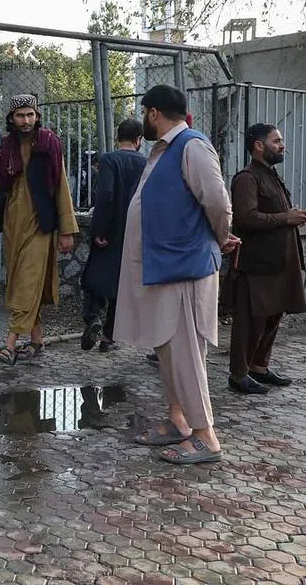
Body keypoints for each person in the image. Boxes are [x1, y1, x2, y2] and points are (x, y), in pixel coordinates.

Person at [114, 85, 239, 465]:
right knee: (167, 350)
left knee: (185, 354)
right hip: (165, 267)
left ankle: (205, 437)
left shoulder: (192, 146)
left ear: (153, 113)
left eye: (145, 112)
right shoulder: (166, 149)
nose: (144, 119)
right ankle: (178, 420)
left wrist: (221, 237)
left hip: (184, 269)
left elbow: (217, 202)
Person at [0, 94, 78, 365]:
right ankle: (36, 340)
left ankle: (9, 344)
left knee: (26, 283)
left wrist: (67, 229)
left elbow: (61, 186)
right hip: (13, 224)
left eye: (30, 115)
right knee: (21, 282)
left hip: (40, 225)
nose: (26, 121)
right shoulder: (6, 148)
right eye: (20, 116)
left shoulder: (49, 143)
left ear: (37, 116)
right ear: (11, 118)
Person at [227, 123, 306, 394]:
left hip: (280, 261)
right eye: (276, 141)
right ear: (259, 145)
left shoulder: (271, 175)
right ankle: (238, 374)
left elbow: (275, 214)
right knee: (251, 319)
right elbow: (246, 218)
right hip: (257, 263)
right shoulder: (247, 178)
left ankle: (259, 367)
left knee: (274, 315)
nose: (282, 145)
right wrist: (286, 217)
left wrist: (295, 217)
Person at [79, 119, 146, 353]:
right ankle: (109, 336)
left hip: (109, 231)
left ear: (118, 137)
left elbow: (105, 195)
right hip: (133, 232)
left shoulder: (109, 159)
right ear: (139, 140)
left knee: (94, 277)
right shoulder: (145, 163)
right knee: (122, 284)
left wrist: (100, 230)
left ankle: (93, 316)